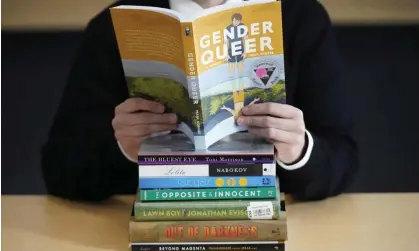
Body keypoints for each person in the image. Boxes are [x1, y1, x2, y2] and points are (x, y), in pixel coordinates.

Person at [41, 0, 358, 202]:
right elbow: (59, 169)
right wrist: (123, 149)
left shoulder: (301, 18)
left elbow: (344, 160)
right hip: (154, 220)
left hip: (262, 217)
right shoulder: (113, 27)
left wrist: (299, 149)